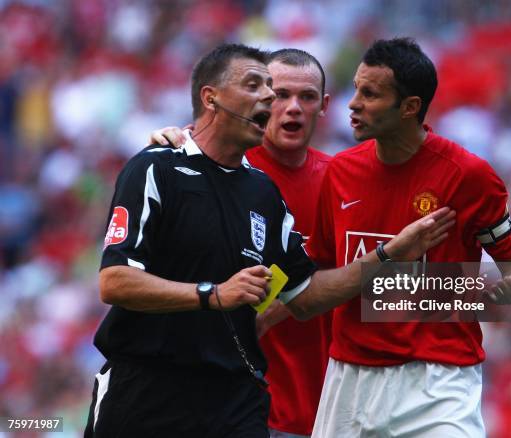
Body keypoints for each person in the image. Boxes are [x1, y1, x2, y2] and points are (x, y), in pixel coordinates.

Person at [86, 42, 455, 437]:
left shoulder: (290, 189)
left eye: (305, 96)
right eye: (271, 91)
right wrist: (218, 295)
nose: (280, 102)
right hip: (158, 390)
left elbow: (309, 293)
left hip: (281, 405)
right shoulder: (161, 164)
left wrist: (392, 257)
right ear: (212, 98)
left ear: (324, 105)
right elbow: (114, 280)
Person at [305, 38, 511, 437]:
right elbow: (319, 281)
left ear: (410, 107)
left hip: (438, 379)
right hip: (350, 375)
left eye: (370, 93)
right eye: (357, 89)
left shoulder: (468, 175)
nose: (352, 103)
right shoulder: (340, 172)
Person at [150, 48, 333, 437]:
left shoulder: (341, 184)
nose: (292, 108)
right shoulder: (202, 167)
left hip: (323, 410)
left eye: (307, 97)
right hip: (228, 406)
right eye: (280, 94)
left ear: (324, 106)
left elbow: (374, 284)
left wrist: (474, 292)